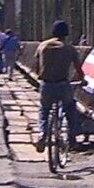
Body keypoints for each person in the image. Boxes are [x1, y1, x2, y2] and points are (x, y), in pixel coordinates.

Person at [34, 19, 85, 149]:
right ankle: (73, 137)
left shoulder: (43, 45)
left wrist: (40, 75)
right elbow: (78, 67)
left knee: (44, 109)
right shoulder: (69, 48)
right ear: (66, 33)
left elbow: (36, 66)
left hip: (46, 84)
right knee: (70, 108)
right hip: (63, 84)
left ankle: (42, 133)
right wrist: (83, 79)